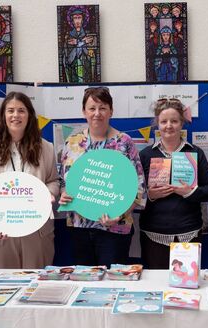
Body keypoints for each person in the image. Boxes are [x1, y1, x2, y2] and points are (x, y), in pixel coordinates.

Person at [59, 87, 146, 266]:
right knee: (84, 282)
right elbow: (63, 181)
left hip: (115, 228)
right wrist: (63, 193)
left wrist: (120, 215)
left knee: (111, 285)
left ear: (111, 111)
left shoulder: (124, 142)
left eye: (103, 108)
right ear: (84, 111)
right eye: (92, 108)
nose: (97, 113)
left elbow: (139, 188)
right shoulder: (72, 142)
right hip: (79, 227)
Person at [0, 92, 59, 268]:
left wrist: (49, 193)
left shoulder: (46, 147)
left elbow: (53, 180)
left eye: (21, 110)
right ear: (3, 115)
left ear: (29, 115)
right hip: (0, 230)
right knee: (3, 287)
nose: (15, 115)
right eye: (10, 110)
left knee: (36, 286)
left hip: (37, 229)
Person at [139, 98, 208, 269]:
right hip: (153, 233)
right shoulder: (145, 155)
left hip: (188, 232)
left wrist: (189, 192)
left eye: (174, 121)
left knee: (186, 285)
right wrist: (149, 195)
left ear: (182, 123)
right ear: (157, 124)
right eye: (164, 121)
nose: (169, 126)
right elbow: (135, 194)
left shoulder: (195, 152)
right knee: (156, 286)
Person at [62, 6, 97, 83]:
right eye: (75, 18)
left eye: (79, 18)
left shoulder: (88, 35)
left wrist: (91, 53)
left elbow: (91, 55)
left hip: (86, 72)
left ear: (83, 20)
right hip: (74, 73)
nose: (77, 21)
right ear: (72, 20)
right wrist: (82, 43)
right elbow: (68, 60)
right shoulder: (69, 37)